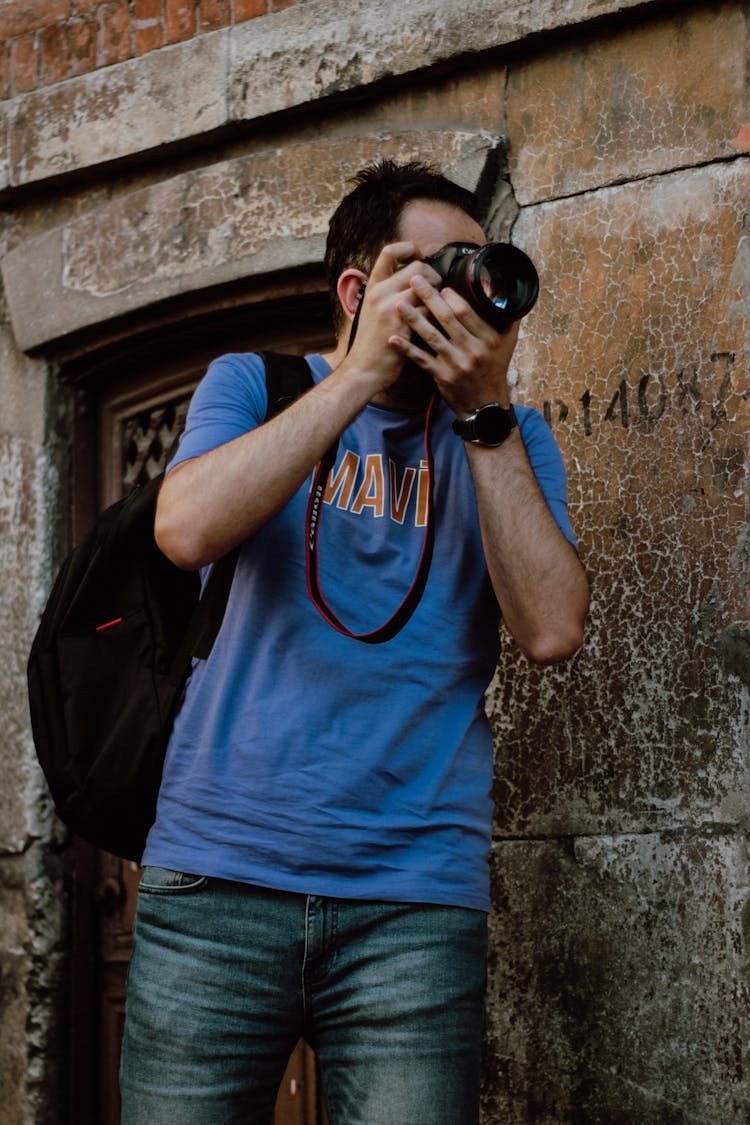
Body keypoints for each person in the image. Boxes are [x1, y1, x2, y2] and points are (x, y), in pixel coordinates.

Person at [119, 159, 589, 1125]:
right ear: (357, 288)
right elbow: (185, 530)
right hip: (218, 879)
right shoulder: (252, 383)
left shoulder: (511, 435)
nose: (459, 291)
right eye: (430, 267)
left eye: (474, 268)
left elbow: (551, 628)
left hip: (412, 902)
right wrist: (358, 379)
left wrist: (483, 416)